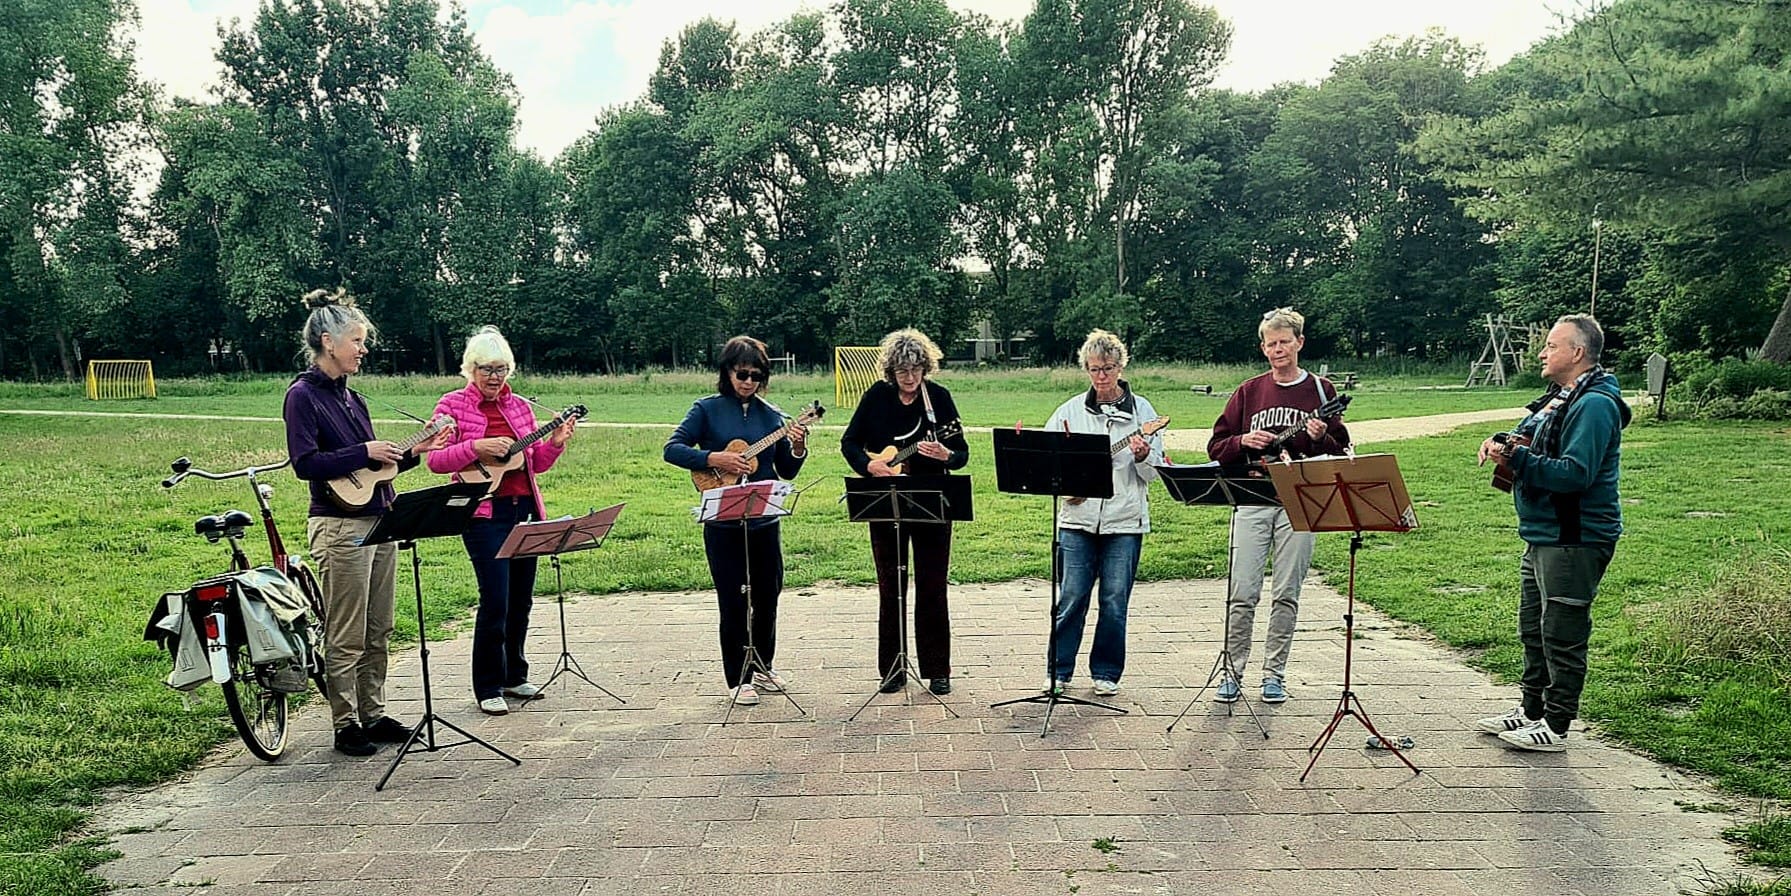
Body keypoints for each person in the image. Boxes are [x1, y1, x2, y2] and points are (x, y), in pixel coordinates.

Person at [284, 288, 452, 756]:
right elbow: (305, 462)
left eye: (362, 341)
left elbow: (375, 472)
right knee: (347, 630)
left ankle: (372, 712)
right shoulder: (302, 396)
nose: (362, 349)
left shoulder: (354, 400)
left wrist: (417, 452)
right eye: (356, 340)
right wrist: (363, 450)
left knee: (379, 626)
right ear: (326, 341)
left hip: (381, 520)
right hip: (339, 527)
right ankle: (345, 723)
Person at [1476, 314, 1629, 751]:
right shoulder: (1561, 398)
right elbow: (1531, 439)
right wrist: (1502, 442)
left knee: (1562, 633)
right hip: (1543, 533)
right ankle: (1531, 710)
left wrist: (1516, 460)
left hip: (1573, 536)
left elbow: (1575, 474)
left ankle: (1557, 726)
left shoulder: (1595, 404)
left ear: (1577, 353)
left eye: (1551, 346)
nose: (1542, 353)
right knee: (1534, 627)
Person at [426, 326, 575, 716]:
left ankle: (513, 674)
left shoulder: (521, 407)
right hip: (483, 515)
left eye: (502, 369)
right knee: (495, 600)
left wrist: (555, 443)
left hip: (522, 509)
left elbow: (533, 463)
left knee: (521, 599)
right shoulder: (452, 405)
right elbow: (436, 462)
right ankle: (487, 685)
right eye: (487, 369)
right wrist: (474, 446)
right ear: (471, 369)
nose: (495, 377)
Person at [1207, 307, 1351, 705]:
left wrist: (1321, 436)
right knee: (1242, 590)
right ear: (1262, 348)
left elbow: (1341, 450)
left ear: (1299, 343)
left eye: (1285, 341)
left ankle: (1274, 673)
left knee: (1287, 590)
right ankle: (1232, 673)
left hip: (1300, 500)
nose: (1278, 350)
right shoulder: (1249, 392)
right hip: (1253, 499)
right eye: (1271, 344)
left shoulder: (1321, 391)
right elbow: (1216, 447)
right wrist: (1242, 443)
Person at [664, 336, 809, 706]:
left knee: (767, 595)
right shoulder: (706, 409)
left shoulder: (773, 415)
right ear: (727, 372)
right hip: (723, 522)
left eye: (756, 376)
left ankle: (763, 664)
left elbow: (786, 469)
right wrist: (715, 459)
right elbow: (673, 449)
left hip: (762, 520)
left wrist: (796, 446)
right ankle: (738, 676)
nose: (748, 382)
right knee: (733, 599)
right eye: (742, 374)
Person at [839, 328, 971, 696]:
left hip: (931, 502)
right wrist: (868, 466)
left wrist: (947, 455)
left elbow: (961, 452)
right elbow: (849, 442)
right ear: (890, 370)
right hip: (885, 502)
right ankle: (893, 668)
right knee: (890, 587)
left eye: (915, 369)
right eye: (901, 370)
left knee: (932, 586)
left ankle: (937, 669)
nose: (909, 377)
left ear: (925, 368)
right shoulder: (877, 398)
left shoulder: (939, 400)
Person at [1045, 329, 1165, 697]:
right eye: (1095, 369)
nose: (1101, 376)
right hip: (1077, 521)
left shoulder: (1142, 412)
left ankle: (1106, 671)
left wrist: (1144, 456)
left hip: (1124, 520)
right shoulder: (1069, 411)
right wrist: (1068, 486)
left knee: (1114, 601)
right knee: (1071, 598)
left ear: (1120, 366)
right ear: (1086, 369)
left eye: (1109, 368)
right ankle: (1059, 670)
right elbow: (1049, 462)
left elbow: (1154, 472)